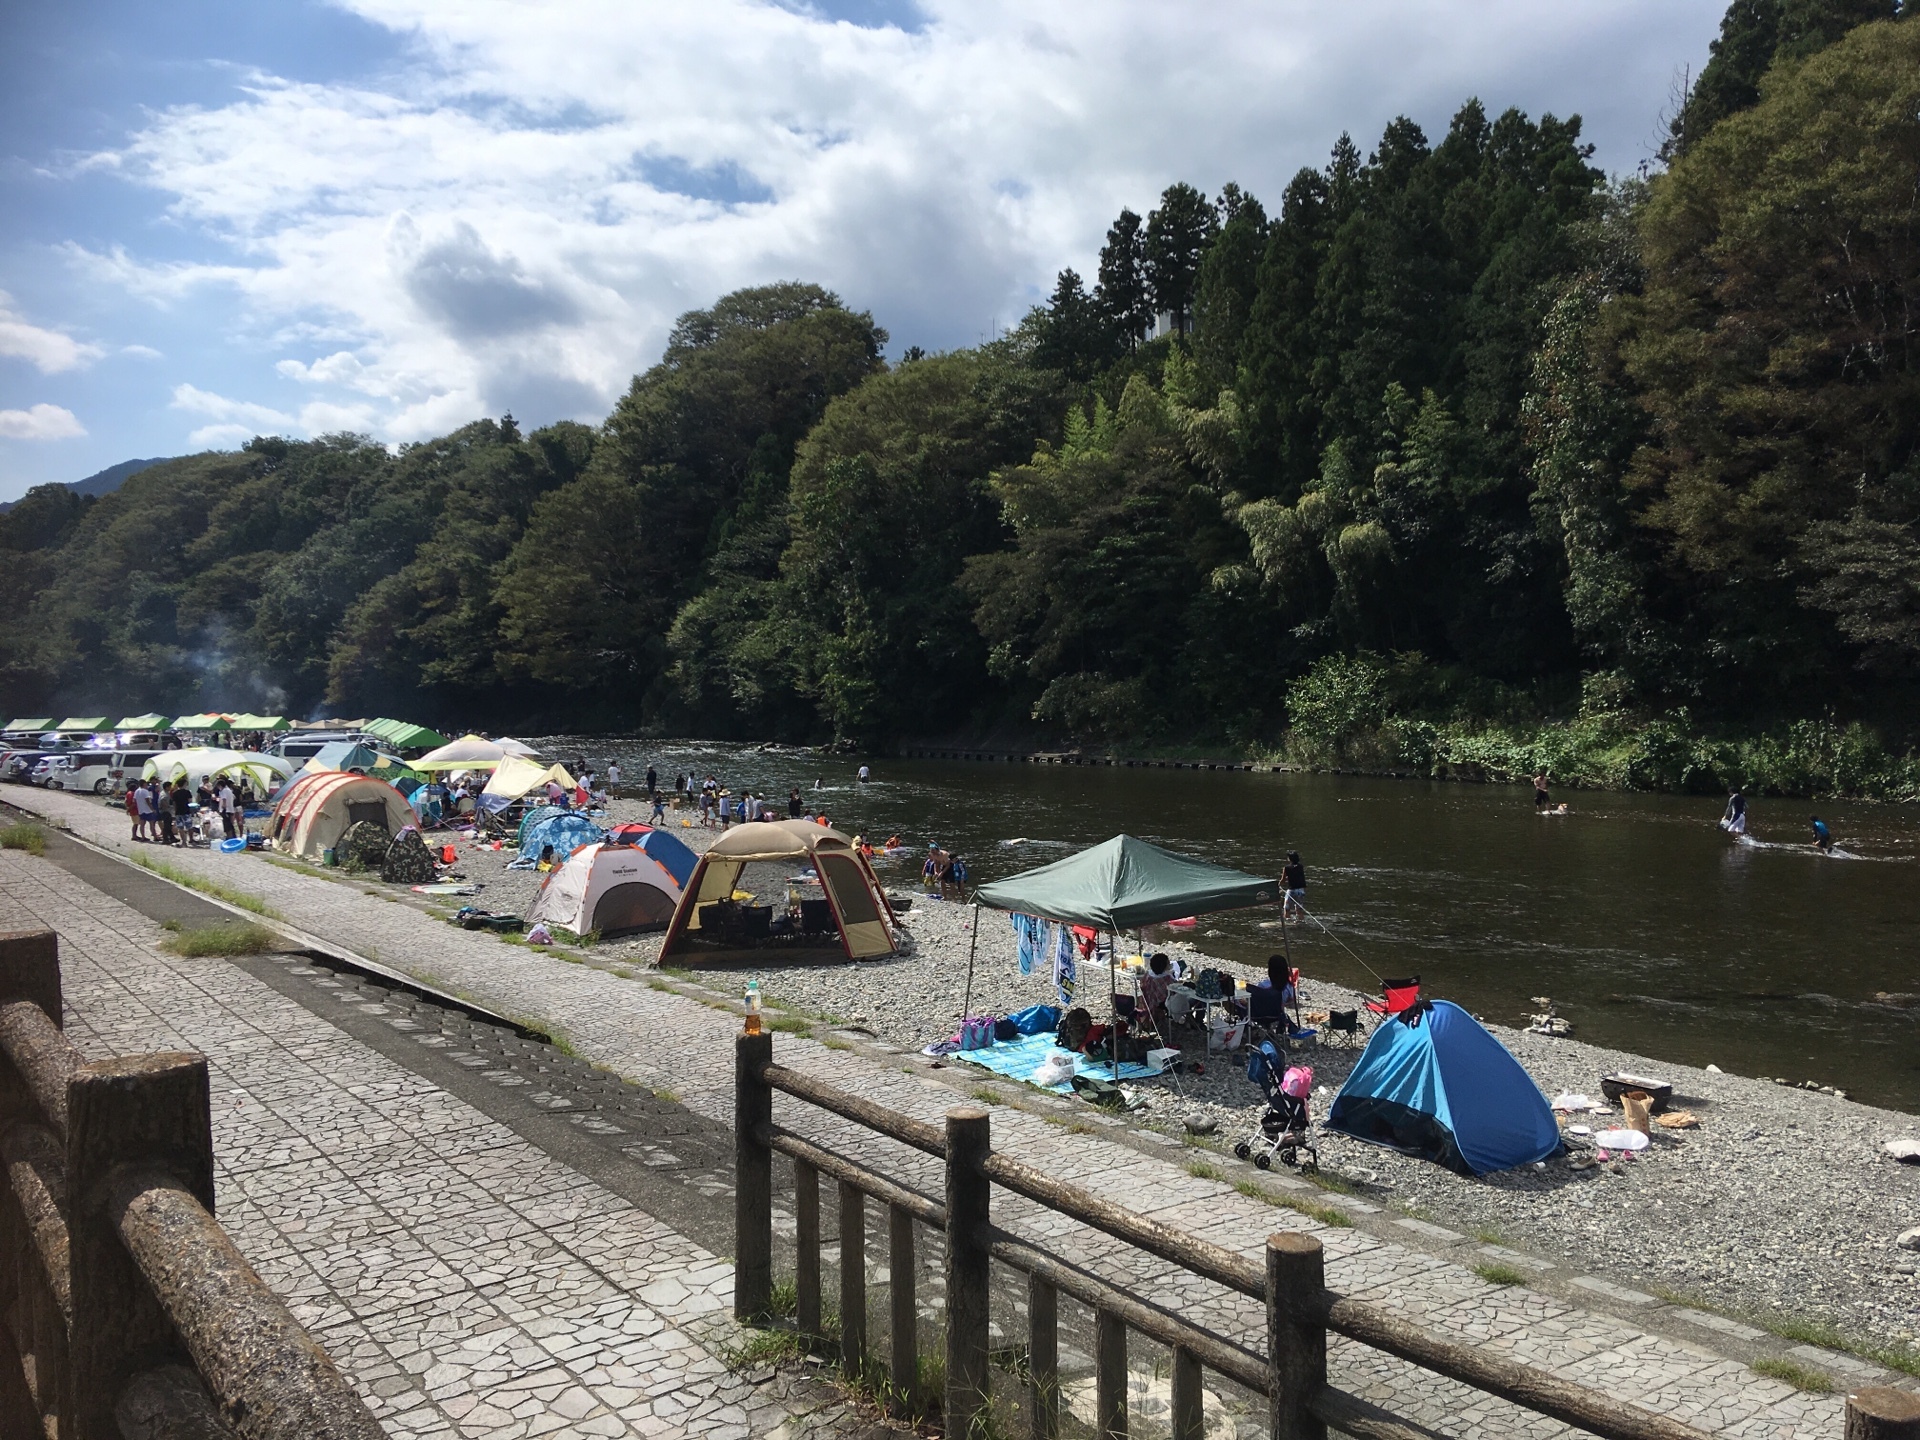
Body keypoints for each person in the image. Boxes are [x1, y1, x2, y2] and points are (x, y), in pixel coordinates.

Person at [1281, 851, 1306, 922]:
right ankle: (1301, 922)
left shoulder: (1286, 868)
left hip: (1291, 890)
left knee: (1287, 908)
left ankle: (1287, 922)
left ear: (1290, 859)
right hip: (1301, 890)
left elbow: (1283, 880)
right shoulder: (1300, 866)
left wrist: (1278, 885)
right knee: (1299, 909)